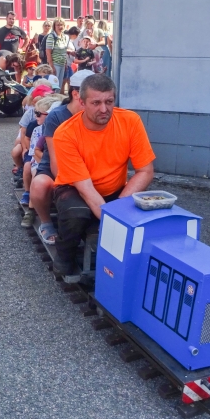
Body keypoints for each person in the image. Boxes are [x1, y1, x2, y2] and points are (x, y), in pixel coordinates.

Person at [52, 74, 155, 275]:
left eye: (109, 101)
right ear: (81, 102)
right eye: (96, 103)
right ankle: (64, 256)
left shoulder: (130, 121)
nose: (104, 109)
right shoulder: (66, 133)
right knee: (76, 212)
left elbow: (146, 171)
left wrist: (119, 209)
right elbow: (86, 188)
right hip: (74, 187)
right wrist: (114, 220)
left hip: (115, 188)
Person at [29, 70, 93, 244]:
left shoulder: (95, 114)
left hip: (86, 165)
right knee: (40, 184)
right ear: (76, 94)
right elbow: (55, 158)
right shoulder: (57, 116)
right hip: (56, 166)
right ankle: (46, 222)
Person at [20, 96, 64, 227]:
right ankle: (32, 209)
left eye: (39, 114)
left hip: (58, 163)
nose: (36, 117)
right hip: (42, 162)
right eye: (36, 113)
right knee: (35, 173)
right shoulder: (38, 130)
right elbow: (36, 152)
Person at [45, 18, 69, 94]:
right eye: (58, 25)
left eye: (61, 25)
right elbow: (48, 52)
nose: (60, 27)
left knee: (59, 84)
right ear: (54, 26)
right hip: (55, 64)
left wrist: (65, 63)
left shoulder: (65, 37)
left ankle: (56, 100)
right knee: (53, 85)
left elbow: (64, 51)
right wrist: (52, 66)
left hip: (62, 64)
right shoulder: (51, 36)